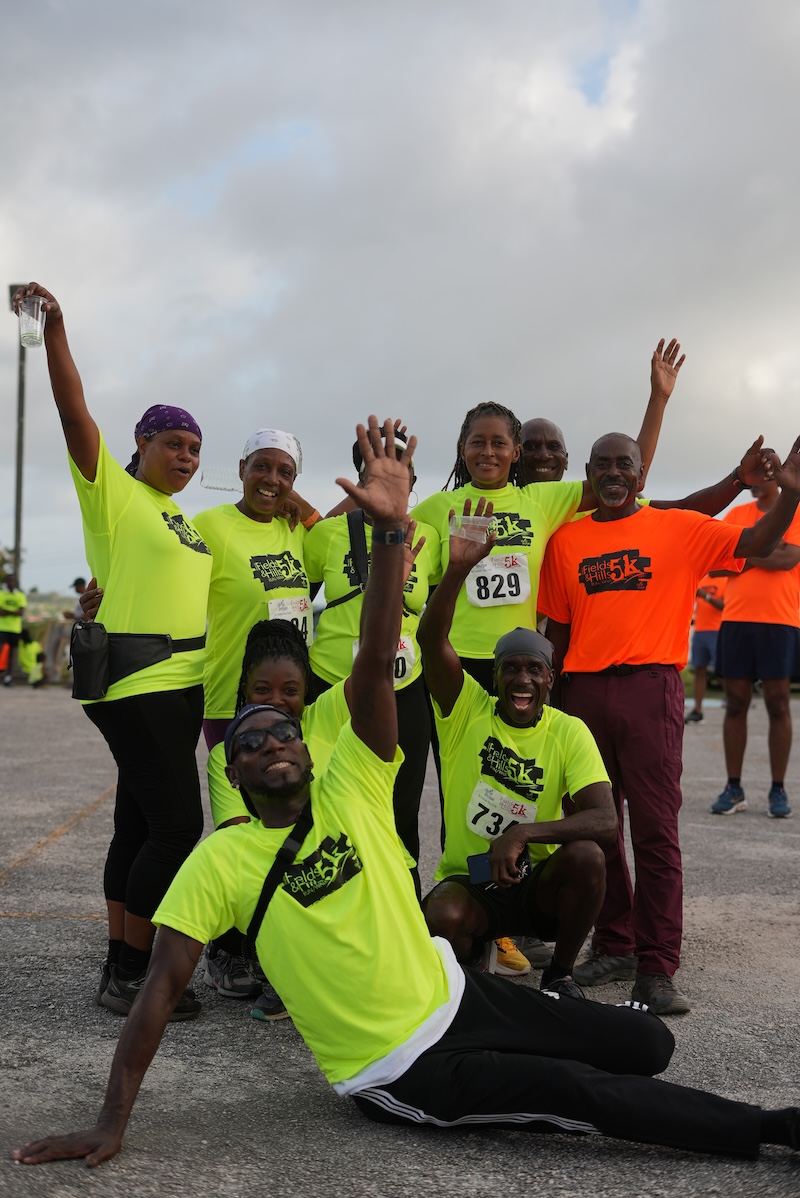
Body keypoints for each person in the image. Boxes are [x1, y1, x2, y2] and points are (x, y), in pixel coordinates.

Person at [13, 417, 800, 1171]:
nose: (270, 743)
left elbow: (379, 646)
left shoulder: (353, 778)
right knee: (582, 1093)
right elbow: (156, 994)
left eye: (282, 731)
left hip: (455, 995)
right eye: (248, 743)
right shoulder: (223, 861)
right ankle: (769, 1130)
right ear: (234, 772)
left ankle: (574, 1028)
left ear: (309, 747)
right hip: (402, 1065)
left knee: (647, 1047)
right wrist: (110, 1118)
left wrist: (392, 533)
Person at [538, 432, 800, 1015]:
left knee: (655, 833)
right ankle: (616, 942)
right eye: (602, 464)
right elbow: (556, 630)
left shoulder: (676, 527)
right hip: (582, 693)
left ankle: (657, 966)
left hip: (649, 688)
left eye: (624, 464)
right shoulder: (566, 541)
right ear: (588, 472)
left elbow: (757, 541)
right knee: (596, 829)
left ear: (641, 475)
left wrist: (788, 496)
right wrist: (553, 706)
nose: (613, 473)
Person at [13, 283, 212, 1020]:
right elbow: (72, 413)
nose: (185, 457)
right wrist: (58, 330)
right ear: (141, 444)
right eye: (173, 444)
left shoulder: (178, 516)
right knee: (176, 829)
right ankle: (135, 971)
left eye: (195, 449)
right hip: (140, 680)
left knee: (138, 823)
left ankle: (118, 966)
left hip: (182, 680)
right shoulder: (116, 496)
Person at [417, 500, 616, 997]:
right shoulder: (466, 710)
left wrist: (524, 832)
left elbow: (606, 821)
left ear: (550, 678)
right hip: (472, 878)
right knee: (441, 914)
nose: (522, 680)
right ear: (497, 675)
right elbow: (429, 637)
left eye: (533, 670)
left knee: (588, 857)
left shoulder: (568, 730)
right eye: (511, 669)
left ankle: (560, 975)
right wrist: (459, 569)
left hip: (535, 886)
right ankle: (472, 965)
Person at [304, 430, 438, 886]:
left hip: (404, 692)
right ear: (361, 475)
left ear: (413, 478)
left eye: (400, 468)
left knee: (402, 810)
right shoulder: (325, 535)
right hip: (331, 689)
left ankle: (402, 905)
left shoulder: (432, 537)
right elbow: (288, 600)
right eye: (374, 467)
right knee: (330, 804)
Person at [710, 479, 800, 818]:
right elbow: (715, 562)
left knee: (778, 704)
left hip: (781, 620)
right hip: (736, 620)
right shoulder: (737, 514)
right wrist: (766, 549)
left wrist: (746, 551)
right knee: (735, 703)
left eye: (762, 473)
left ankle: (778, 789)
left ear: (775, 477)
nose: (753, 480)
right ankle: (733, 787)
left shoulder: (796, 512)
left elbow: (789, 559)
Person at [684, 573, 727, 724]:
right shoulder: (701, 578)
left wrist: (706, 596)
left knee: (722, 671)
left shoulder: (725, 578)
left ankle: (734, 702)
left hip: (717, 630)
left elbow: (725, 605)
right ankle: (697, 709)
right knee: (699, 670)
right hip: (700, 630)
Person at [0, 572, 26, 686]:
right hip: (2, 628)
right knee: (2, 649)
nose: (11, 582)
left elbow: (21, 612)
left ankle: (8, 677)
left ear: (15, 582)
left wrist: (7, 611)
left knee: (12, 654)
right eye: (9, 580)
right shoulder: (1, 594)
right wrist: (13, 611)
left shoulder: (20, 595)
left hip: (15, 629)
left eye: (13, 580)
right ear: (6, 582)